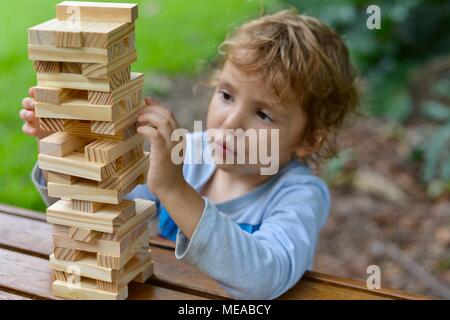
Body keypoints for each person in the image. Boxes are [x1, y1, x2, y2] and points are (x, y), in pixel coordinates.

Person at [20, 9, 360, 299]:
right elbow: (107, 216)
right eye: (227, 95)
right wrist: (65, 145)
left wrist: (173, 188)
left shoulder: (299, 196)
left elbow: (262, 279)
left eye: (264, 114)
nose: (231, 123)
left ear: (308, 139)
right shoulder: (191, 151)